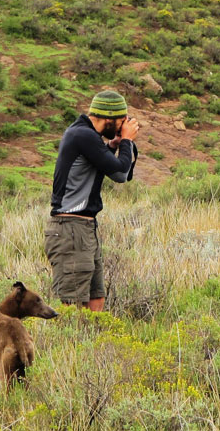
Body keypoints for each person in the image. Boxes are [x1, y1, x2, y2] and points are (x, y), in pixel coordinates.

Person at [45, 90, 139, 311]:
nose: (121, 126)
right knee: (73, 304)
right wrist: (126, 140)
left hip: (85, 228)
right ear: (108, 118)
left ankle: (94, 342)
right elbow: (120, 168)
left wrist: (114, 146)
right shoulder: (83, 135)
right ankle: (72, 344)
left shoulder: (88, 137)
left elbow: (119, 176)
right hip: (70, 228)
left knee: (96, 298)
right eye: (120, 121)